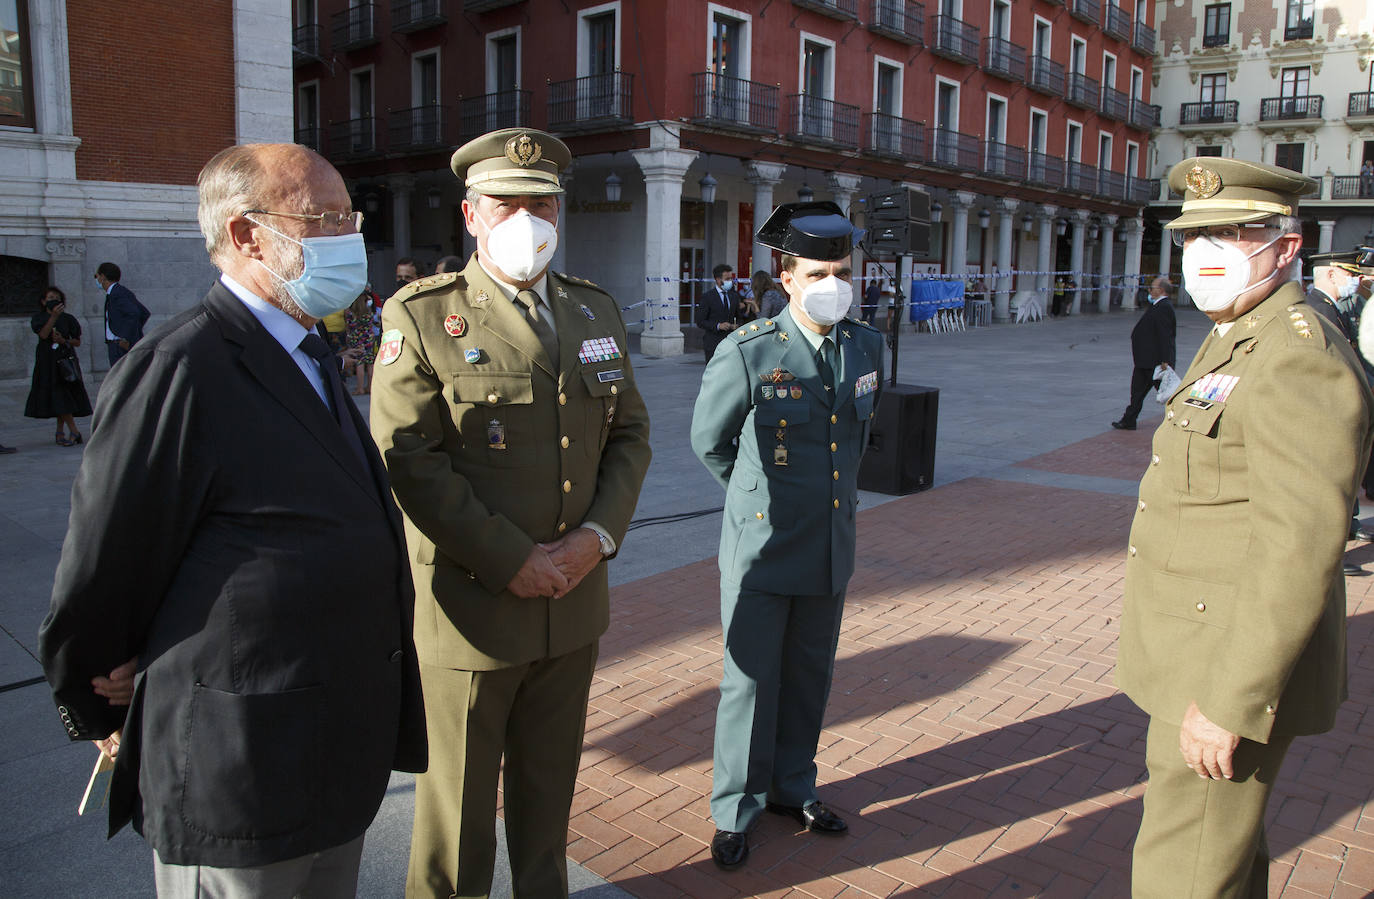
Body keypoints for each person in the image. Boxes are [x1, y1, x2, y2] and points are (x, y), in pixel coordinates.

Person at [37, 142, 427, 896]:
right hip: (241, 771)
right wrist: (99, 704)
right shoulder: (180, 368)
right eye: (323, 218)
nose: (349, 236)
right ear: (248, 235)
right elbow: (101, 568)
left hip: (332, 756)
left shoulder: (310, 352)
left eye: (351, 216)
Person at [369, 127, 652, 898]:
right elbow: (407, 460)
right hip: (474, 610)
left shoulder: (593, 311)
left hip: (573, 607)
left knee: (547, 801)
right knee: (457, 823)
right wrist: (511, 559)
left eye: (542, 204)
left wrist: (597, 538)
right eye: (507, 204)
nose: (528, 221)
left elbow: (629, 433)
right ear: (470, 214)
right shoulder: (422, 316)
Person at [1118, 157, 1374, 898]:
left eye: (1231, 233)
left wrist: (1229, 701)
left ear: (1286, 247)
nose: (1204, 253)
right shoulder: (1242, 331)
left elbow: (1298, 550)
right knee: (1221, 863)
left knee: (1183, 873)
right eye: (1194, 235)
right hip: (1201, 651)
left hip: (1223, 670)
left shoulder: (1294, 354)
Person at [690, 201, 885, 871]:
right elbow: (709, 441)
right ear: (788, 275)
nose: (833, 281)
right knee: (750, 680)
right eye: (818, 271)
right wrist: (753, 504)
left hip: (831, 541)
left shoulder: (865, 343)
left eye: (841, 269)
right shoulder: (749, 350)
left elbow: (854, 436)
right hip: (764, 548)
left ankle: (791, 788)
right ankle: (735, 808)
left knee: (808, 675)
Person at [24, 286, 92, 446]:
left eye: (56, 297)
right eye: (49, 298)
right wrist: (53, 317)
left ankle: (70, 432)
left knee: (63, 396)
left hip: (65, 362)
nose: (53, 300)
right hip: (47, 362)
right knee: (58, 396)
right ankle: (66, 431)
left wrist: (64, 341)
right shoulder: (39, 318)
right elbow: (43, 334)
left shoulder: (69, 319)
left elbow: (77, 341)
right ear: (43, 302)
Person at [1111, 276, 1177, 431]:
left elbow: (1165, 335)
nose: (1149, 290)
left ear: (1161, 290)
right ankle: (1129, 420)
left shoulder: (1164, 307)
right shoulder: (1157, 305)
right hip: (1145, 359)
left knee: (1168, 393)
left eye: (1152, 288)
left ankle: (1180, 417)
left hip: (1154, 361)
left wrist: (1165, 359)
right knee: (1137, 392)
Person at [94, 261, 150, 367]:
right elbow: (142, 313)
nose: (96, 279)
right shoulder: (116, 293)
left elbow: (136, 313)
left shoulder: (118, 293)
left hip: (119, 345)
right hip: (115, 344)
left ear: (102, 277)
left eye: (96, 276)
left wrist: (126, 337)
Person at [698, 263, 743, 363]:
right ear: (718, 280)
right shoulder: (708, 297)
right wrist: (718, 326)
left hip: (730, 342)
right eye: (727, 279)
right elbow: (700, 321)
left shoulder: (734, 296)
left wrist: (737, 325)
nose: (730, 281)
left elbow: (739, 316)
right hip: (713, 342)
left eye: (731, 278)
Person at [344, 287, 380, 395]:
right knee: (370, 364)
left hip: (357, 339)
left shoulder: (351, 313)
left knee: (359, 364)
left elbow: (350, 326)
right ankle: (370, 386)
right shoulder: (368, 311)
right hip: (369, 338)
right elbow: (374, 322)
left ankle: (359, 388)